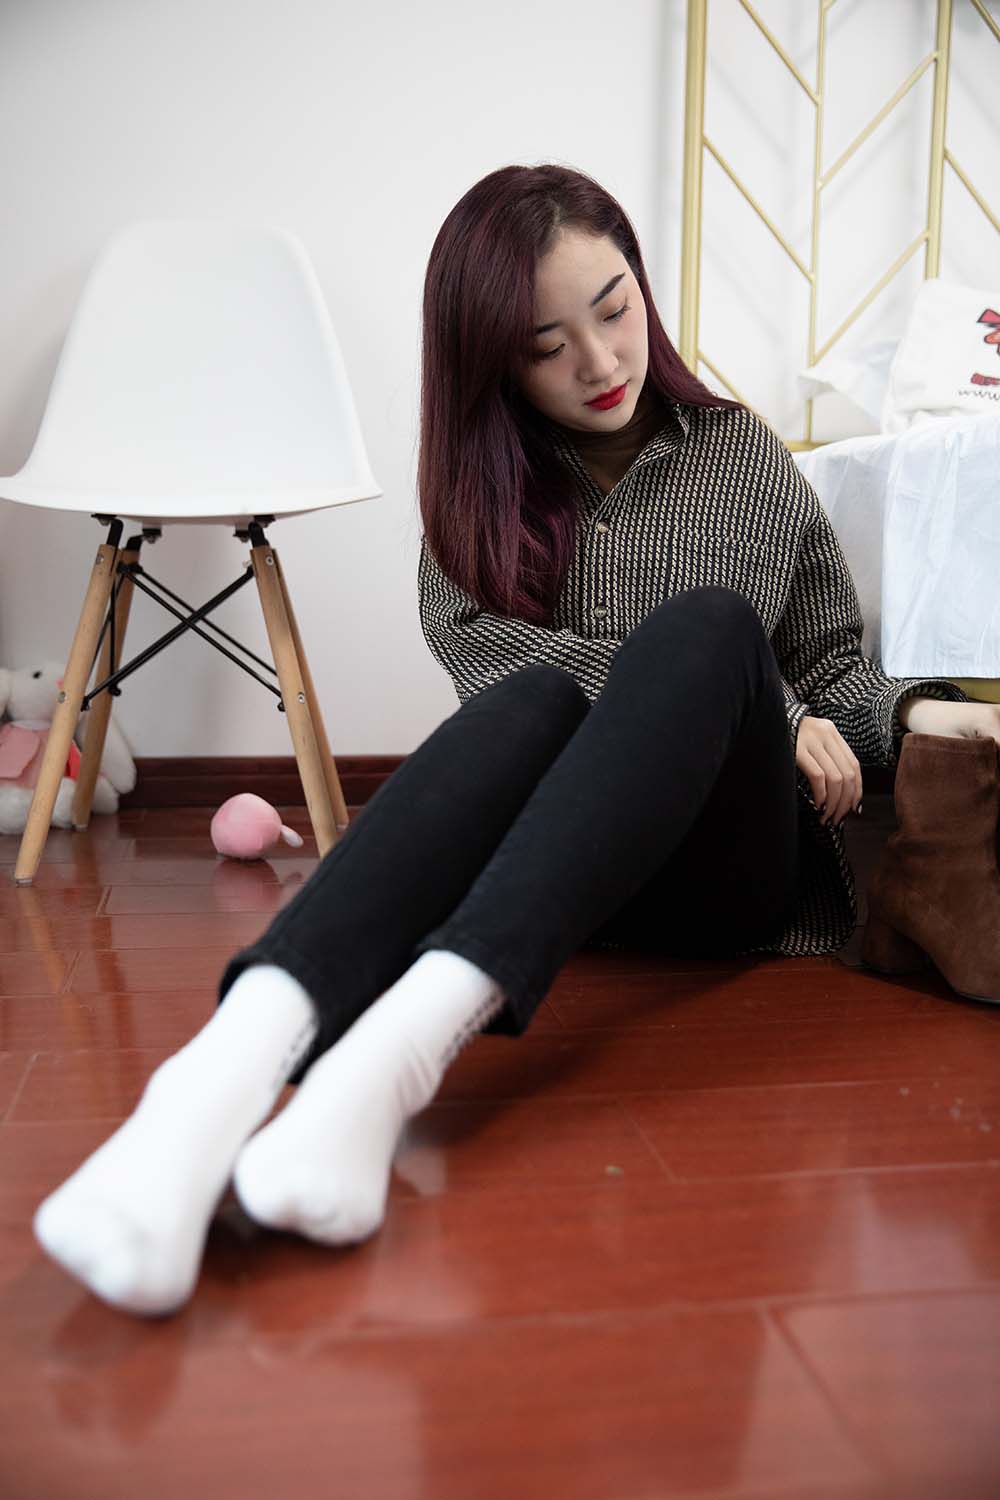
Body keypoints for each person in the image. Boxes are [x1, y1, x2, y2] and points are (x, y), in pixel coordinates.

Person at [33, 163, 1000, 1318]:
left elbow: (826, 665)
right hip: (567, 876)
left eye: (614, 308)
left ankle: (385, 1067)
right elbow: (498, 674)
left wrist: (909, 712)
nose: (599, 361)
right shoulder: (475, 496)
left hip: (733, 876)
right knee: (532, 697)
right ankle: (214, 1083)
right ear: (492, 360)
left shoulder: (742, 456)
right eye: (547, 345)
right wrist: (772, 706)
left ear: (640, 287)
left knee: (709, 628)